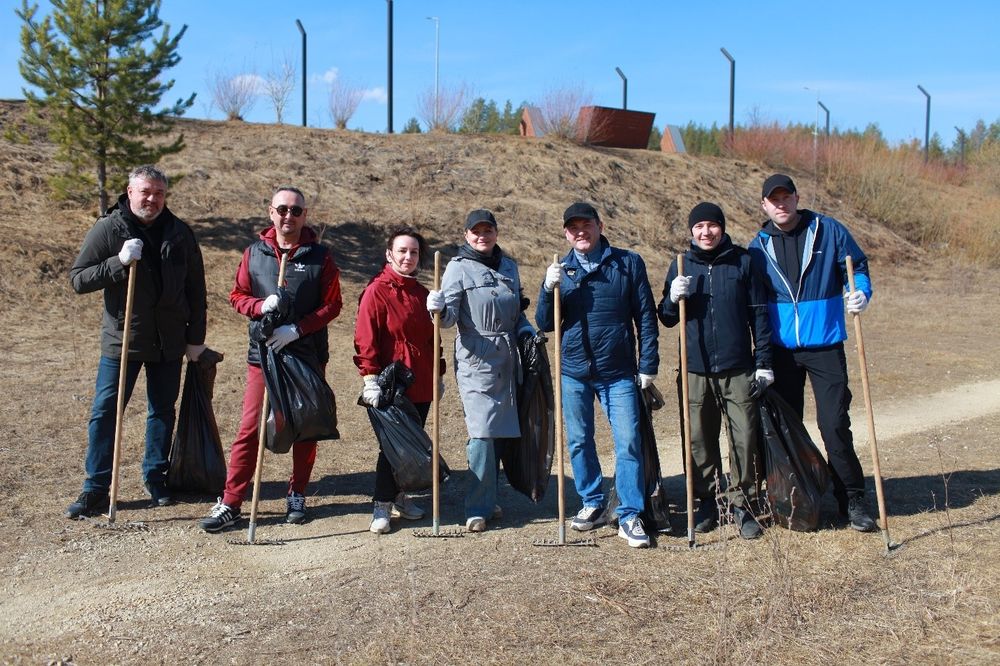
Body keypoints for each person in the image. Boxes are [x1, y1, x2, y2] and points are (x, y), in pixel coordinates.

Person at [65, 165, 208, 518]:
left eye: (158, 193)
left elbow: (196, 290)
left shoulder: (180, 233)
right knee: (105, 412)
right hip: (123, 340)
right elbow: (79, 279)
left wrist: (195, 339)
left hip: (169, 340)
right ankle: (96, 487)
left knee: (162, 410)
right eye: (145, 192)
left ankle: (156, 477)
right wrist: (118, 262)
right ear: (130, 192)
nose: (152, 199)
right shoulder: (109, 228)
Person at [199, 186, 342, 532]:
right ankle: (231, 501)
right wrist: (260, 306)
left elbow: (332, 305)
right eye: (282, 209)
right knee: (250, 427)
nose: (288, 216)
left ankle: (297, 493)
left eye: (296, 210)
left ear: (305, 215)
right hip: (263, 354)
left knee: (305, 424)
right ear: (271, 212)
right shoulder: (254, 253)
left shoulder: (320, 257)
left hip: (305, 353)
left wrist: (298, 328)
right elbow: (237, 296)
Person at [749, 173, 877, 532]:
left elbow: (857, 267)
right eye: (773, 200)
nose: (781, 204)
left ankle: (852, 498)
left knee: (834, 425)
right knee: (785, 428)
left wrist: (860, 293)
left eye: (785, 197)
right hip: (781, 352)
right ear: (764, 205)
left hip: (825, 346)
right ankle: (798, 496)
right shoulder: (758, 247)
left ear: (796, 197)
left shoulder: (828, 230)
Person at [535, 202, 659, 548]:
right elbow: (545, 323)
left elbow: (645, 316)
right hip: (574, 371)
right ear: (566, 234)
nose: (580, 232)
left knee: (628, 441)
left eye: (586, 225)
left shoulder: (628, 263)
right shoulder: (562, 270)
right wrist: (547, 288)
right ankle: (592, 501)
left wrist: (648, 363)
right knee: (578, 440)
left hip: (618, 371)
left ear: (600, 226)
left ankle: (629, 513)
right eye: (573, 227)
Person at [658, 202, 773, 540]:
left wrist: (764, 362)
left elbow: (759, 315)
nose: (706, 232)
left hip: (738, 368)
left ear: (722, 227)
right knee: (698, 439)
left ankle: (743, 503)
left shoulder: (743, 262)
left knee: (744, 437)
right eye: (699, 227)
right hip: (696, 369)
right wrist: (672, 297)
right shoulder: (681, 265)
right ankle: (707, 501)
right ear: (691, 231)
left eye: (712, 225)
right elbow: (666, 317)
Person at [425, 209, 535, 532]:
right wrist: (437, 308)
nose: (482, 236)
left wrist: (526, 329)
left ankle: (489, 497)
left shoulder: (509, 267)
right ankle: (476, 507)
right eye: (476, 231)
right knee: (482, 432)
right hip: (476, 358)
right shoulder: (457, 268)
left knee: (499, 430)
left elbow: (517, 312)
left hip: (508, 358)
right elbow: (448, 320)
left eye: (488, 230)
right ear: (466, 235)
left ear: (496, 233)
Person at [354, 226, 444, 534]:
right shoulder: (376, 291)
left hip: (421, 381)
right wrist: (370, 378)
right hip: (391, 383)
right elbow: (365, 337)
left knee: (412, 445)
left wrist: (438, 373)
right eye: (402, 251)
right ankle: (381, 504)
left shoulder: (423, 294)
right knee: (392, 446)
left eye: (414, 252)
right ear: (389, 254)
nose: (408, 257)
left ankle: (400, 496)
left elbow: (432, 340)